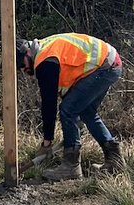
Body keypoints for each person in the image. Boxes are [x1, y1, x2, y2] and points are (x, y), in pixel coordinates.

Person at [16, 33, 124, 179]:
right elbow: (69, 91)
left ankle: (71, 167)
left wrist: (47, 142)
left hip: (104, 66)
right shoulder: (45, 49)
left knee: (68, 110)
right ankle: (114, 162)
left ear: (27, 52)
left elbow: (49, 105)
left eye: (21, 64)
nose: (23, 70)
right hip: (110, 63)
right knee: (86, 111)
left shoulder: (45, 61)